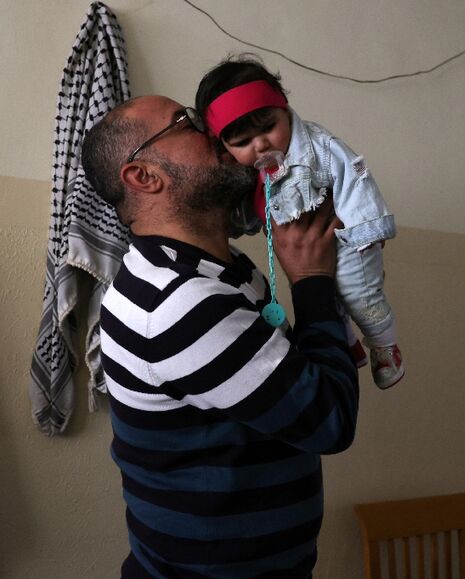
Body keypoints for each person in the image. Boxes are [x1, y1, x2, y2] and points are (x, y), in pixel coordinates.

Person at [81, 94, 359, 578]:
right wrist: (313, 280)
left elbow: (289, 384)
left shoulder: (222, 271)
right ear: (144, 177)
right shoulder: (176, 302)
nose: (214, 127)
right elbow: (328, 419)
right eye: (185, 122)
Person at [195, 54, 405, 390]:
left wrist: (368, 228)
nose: (260, 144)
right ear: (224, 147)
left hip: (349, 240)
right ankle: (348, 346)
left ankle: (384, 346)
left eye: (268, 127)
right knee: (328, 298)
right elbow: (252, 210)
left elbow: (355, 179)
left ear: (284, 108)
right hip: (304, 250)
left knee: (357, 294)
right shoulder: (251, 173)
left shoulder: (321, 148)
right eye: (243, 142)